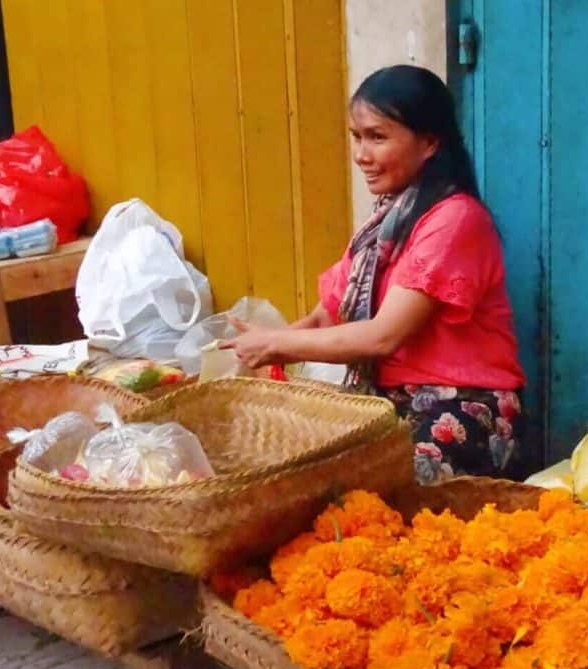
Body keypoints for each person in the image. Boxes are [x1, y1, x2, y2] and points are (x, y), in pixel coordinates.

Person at [222, 65, 525, 484]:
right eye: (357, 136)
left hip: (463, 406)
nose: (362, 155)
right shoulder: (384, 225)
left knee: (366, 494)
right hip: (391, 403)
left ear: (430, 143)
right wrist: (257, 356)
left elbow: (383, 335)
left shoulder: (456, 220)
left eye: (377, 137)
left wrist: (277, 345)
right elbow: (326, 316)